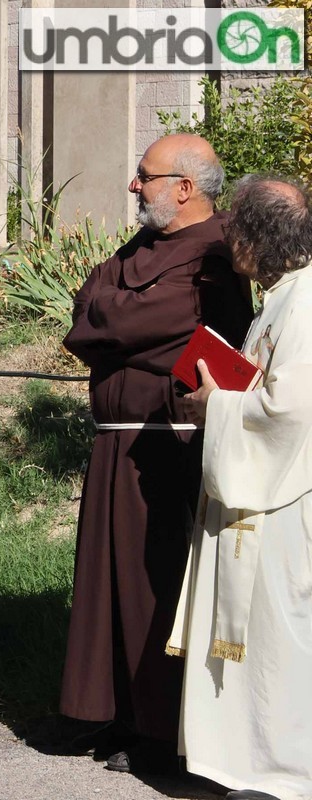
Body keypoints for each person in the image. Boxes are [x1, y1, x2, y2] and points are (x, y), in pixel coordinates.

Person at [58, 134, 254, 771]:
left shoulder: (218, 254)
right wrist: (124, 327)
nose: (133, 186)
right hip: (117, 439)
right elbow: (86, 317)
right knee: (107, 582)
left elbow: (124, 323)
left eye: (145, 175)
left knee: (156, 583)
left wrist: (119, 326)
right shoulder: (138, 248)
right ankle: (111, 713)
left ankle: (164, 731)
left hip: (173, 446)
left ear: (187, 187)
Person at [170, 175, 312, 800]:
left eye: (235, 236)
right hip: (262, 492)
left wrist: (215, 406)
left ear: (257, 237)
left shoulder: (305, 303)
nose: (230, 252)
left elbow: (293, 411)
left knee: (281, 634)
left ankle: (282, 769)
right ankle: (246, 761)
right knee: (257, 633)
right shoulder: (279, 297)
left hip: (284, 503)